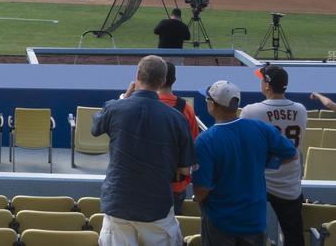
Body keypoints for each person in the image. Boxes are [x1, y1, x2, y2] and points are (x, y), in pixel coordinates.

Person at [92, 55, 194, 245]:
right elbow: (184, 170)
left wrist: (124, 98)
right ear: (162, 81)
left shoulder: (115, 108)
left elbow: (96, 127)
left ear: (138, 75)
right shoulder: (176, 118)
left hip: (119, 202)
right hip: (157, 204)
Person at [194, 80, 297, 246]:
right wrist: (263, 163)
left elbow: (201, 190)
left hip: (219, 223)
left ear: (212, 104)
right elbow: (291, 154)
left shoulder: (205, 141)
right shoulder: (261, 128)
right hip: (254, 219)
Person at [239, 65, 306, 246]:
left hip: (260, 182)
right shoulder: (300, 110)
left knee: (249, 233)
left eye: (262, 80)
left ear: (267, 85)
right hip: (290, 182)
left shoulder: (251, 111)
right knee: (293, 235)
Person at [158, 61, 200, 214]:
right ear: (174, 80)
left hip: (147, 181)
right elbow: (194, 143)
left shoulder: (142, 105)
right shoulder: (185, 108)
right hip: (175, 182)